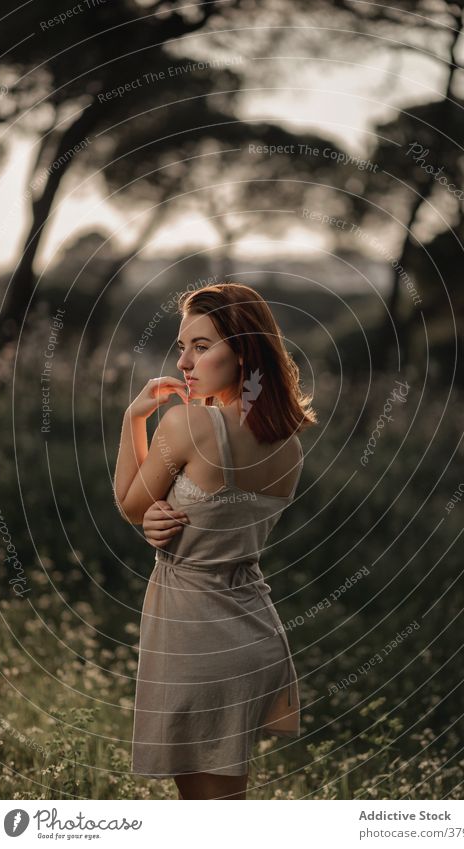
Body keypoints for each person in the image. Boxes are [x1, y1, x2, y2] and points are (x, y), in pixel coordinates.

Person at [114, 282, 317, 799]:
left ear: (243, 351)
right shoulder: (289, 443)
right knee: (225, 807)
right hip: (254, 634)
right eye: (183, 346)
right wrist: (166, 520)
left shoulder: (187, 423)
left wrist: (133, 418)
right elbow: (212, 527)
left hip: (195, 636)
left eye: (201, 347)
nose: (184, 361)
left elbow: (131, 505)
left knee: (205, 813)